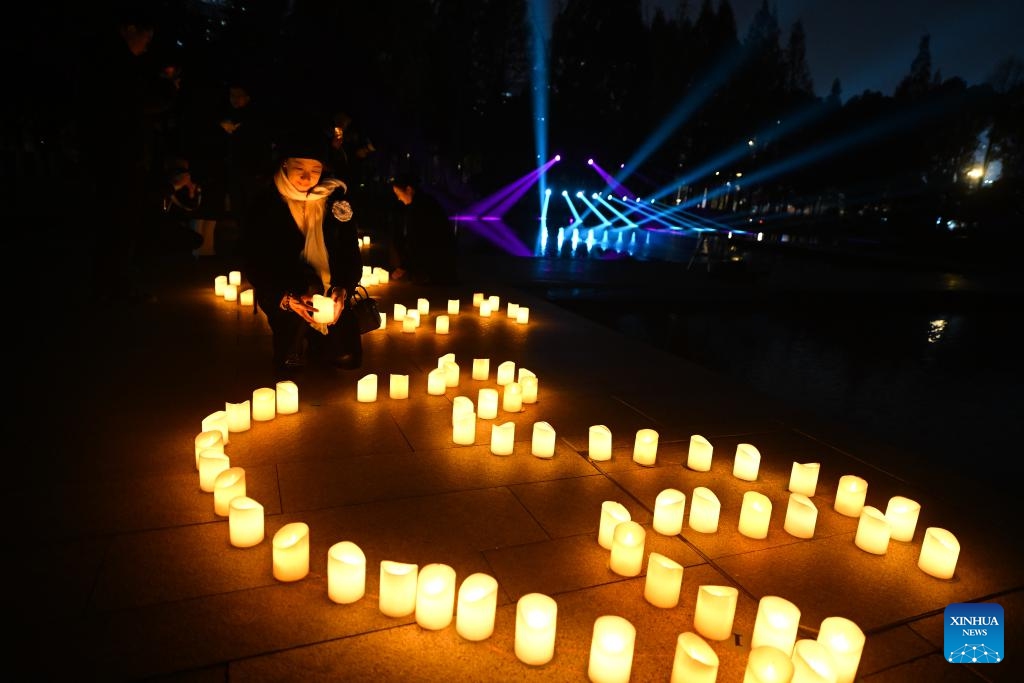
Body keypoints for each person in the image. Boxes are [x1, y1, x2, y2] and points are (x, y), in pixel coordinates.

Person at [241, 126, 363, 375]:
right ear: (285, 165)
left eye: (315, 171)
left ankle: (319, 339)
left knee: (347, 358)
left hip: (330, 287)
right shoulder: (266, 202)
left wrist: (343, 287)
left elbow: (350, 250)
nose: (308, 179)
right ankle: (293, 333)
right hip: (289, 286)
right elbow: (255, 260)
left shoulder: (335, 200)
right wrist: (286, 298)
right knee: (289, 366)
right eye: (300, 170)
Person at [388, 173, 459, 284]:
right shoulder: (422, 202)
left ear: (409, 189)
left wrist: (404, 266)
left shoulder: (421, 208)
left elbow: (418, 239)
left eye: (398, 193)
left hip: (437, 259)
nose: (398, 198)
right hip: (437, 255)